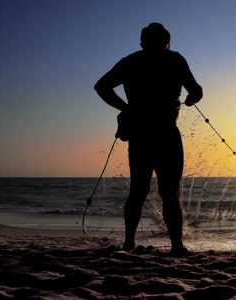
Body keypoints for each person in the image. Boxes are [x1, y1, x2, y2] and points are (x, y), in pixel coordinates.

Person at [94, 23, 203, 256]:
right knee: (169, 193)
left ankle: (129, 243)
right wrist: (192, 99)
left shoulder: (131, 61)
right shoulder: (175, 60)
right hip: (166, 135)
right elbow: (196, 90)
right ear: (168, 41)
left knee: (138, 191)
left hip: (141, 136)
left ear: (142, 43)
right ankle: (176, 247)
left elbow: (101, 86)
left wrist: (127, 108)